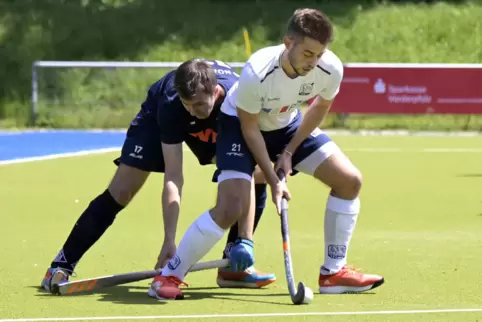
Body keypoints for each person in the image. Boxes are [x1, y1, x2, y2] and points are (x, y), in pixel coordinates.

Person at [149, 8, 385, 300]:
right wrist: (273, 179)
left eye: (319, 54)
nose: (314, 62)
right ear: (288, 43)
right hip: (239, 123)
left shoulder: (330, 68)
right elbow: (250, 130)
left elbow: (320, 108)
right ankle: (169, 275)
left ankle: (333, 273)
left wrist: (289, 151)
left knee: (349, 180)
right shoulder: (258, 71)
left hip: (288, 124)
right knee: (230, 206)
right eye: (308, 54)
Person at [40, 59, 276, 293]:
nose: (193, 110)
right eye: (188, 104)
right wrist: (169, 241)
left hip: (220, 118)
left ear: (215, 92)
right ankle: (62, 264)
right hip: (155, 118)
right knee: (122, 190)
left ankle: (233, 265)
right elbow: (174, 177)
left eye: (199, 105)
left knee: (255, 172)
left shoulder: (238, 97)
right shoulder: (174, 104)